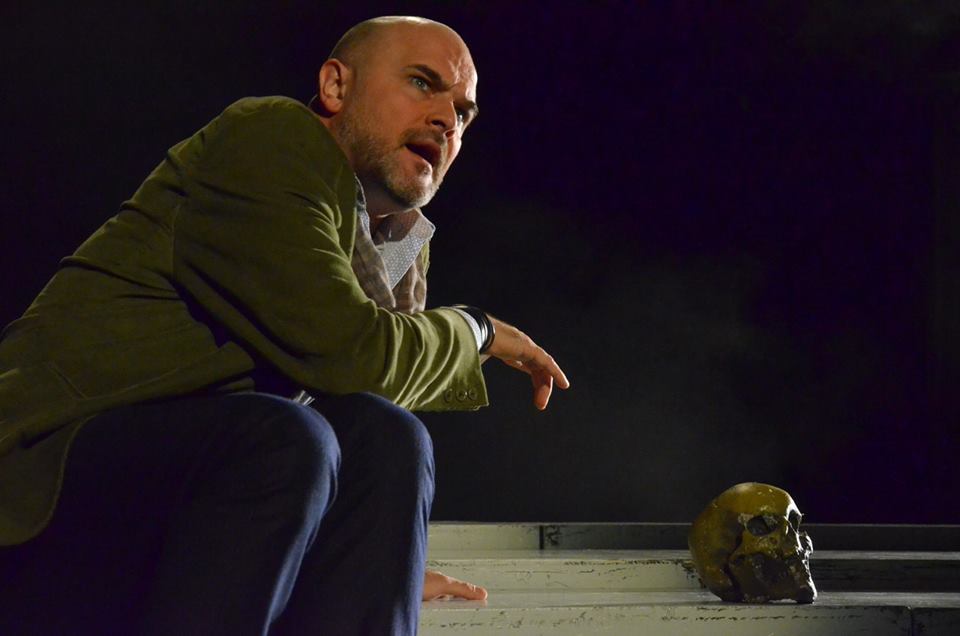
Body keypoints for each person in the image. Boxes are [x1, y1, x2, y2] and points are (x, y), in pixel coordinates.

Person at [0, 15, 569, 636]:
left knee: (385, 435)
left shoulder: (399, 241)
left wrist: (373, 565)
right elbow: (352, 354)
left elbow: (369, 396)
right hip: (40, 483)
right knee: (289, 438)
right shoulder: (269, 140)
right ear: (335, 86)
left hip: (194, 490)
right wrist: (475, 330)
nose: (446, 120)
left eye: (462, 112)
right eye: (421, 83)